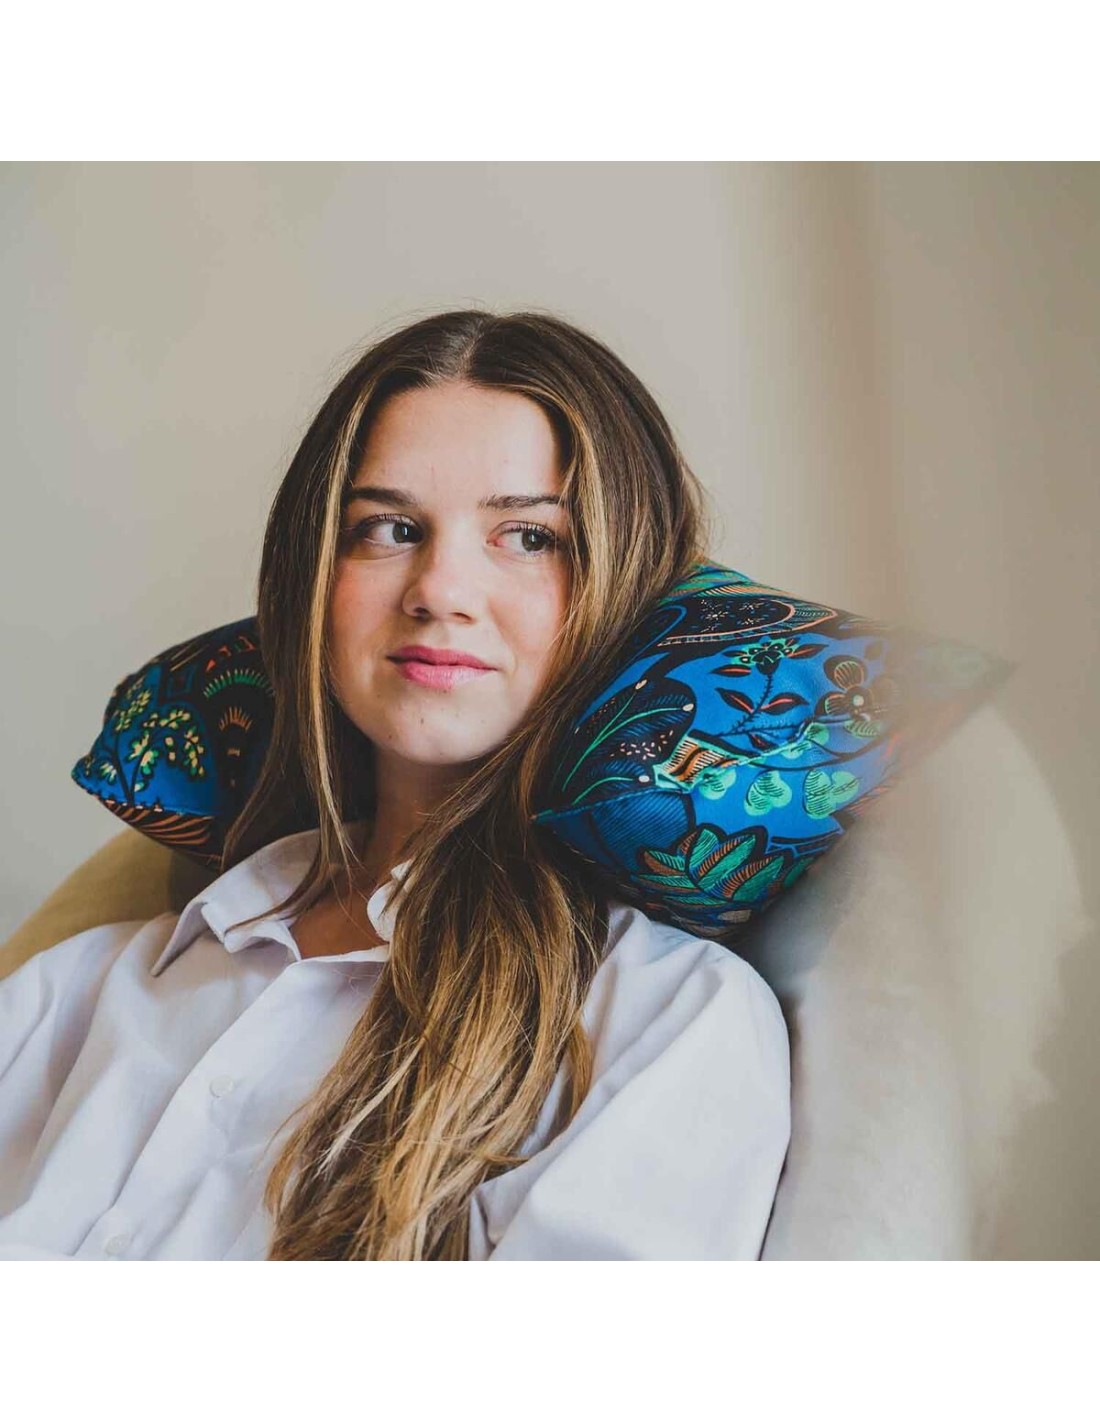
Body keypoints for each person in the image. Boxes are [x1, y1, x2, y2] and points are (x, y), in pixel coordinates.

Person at [0, 309, 791, 1261]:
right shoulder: (74, 993)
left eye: (529, 537)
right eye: (388, 528)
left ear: (620, 589)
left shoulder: (663, 1022)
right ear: (311, 580)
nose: (439, 590)